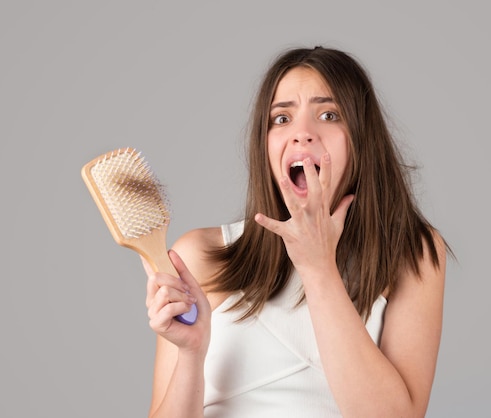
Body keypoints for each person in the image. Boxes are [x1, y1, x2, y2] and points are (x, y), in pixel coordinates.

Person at [142, 46, 449, 418]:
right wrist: (191, 352)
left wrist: (319, 268)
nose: (302, 133)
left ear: (361, 138)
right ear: (265, 142)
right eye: (281, 119)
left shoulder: (411, 252)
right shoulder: (200, 255)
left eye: (329, 114)